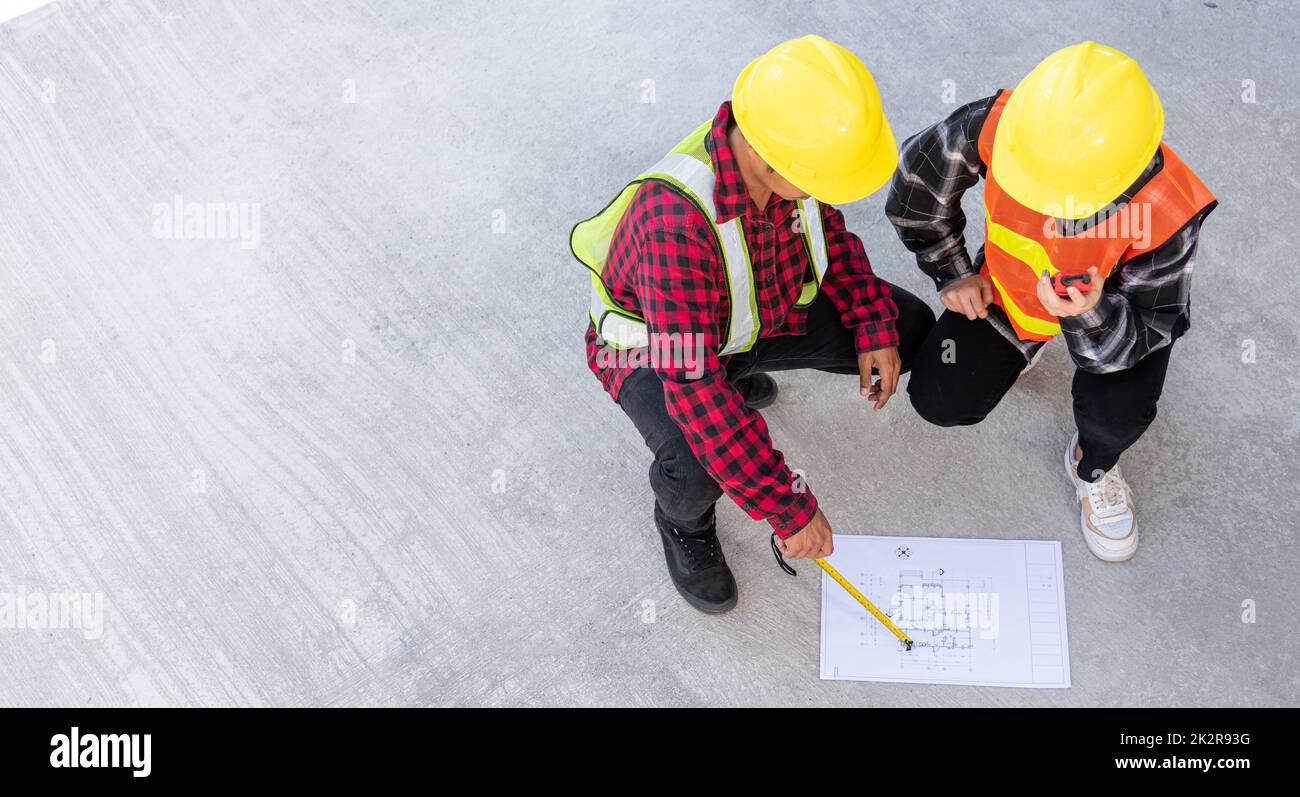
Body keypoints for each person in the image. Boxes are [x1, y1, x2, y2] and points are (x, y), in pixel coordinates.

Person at [571, 35, 935, 612]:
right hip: (654, 351)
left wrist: (872, 322)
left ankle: (741, 372)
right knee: (697, 461)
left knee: (909, 325)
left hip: (746, 319)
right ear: (773, 160)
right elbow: (693, 387)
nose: (824, 194)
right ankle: (682, 523)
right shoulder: (676, 225)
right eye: (820, 183)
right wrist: (788, 507)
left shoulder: (783, 145)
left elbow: (828, 238)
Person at [887, 42, 1216, 562]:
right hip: (1006, 292)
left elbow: (1147, 325)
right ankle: (1024, 338)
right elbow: (916, 188)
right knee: (940, 398)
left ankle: (1093, 462)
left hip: (1113, 317)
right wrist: (952, 271)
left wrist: (1087, 312)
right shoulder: (1004, 125)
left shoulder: (1166, 206)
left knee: (1121, 414)